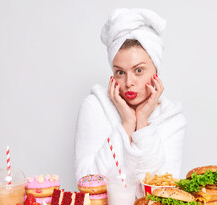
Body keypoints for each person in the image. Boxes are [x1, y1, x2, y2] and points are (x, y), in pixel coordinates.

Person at [74, 8, 187, 188]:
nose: (128, 82)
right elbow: (87, 183)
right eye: (120, 72)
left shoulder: (173, 119)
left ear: (156, 71)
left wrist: (142, 123)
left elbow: (163, 189)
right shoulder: (95, 107)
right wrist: (127, 124)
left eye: (139, 70)